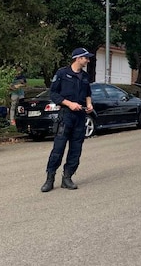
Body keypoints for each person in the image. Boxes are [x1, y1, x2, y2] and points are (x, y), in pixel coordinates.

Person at [40, 48, 95, 192]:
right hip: (66, 116)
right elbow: (53, 93)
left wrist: (89, 104)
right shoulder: (62, 73)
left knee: (76, 149)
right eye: (86, 58)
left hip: (80, 117)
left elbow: (88, 93)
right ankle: (50, 179)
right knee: (58, 149)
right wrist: (69, 103)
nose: (88, 60)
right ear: (78, 58)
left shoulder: (84, 76)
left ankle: (67, 178)